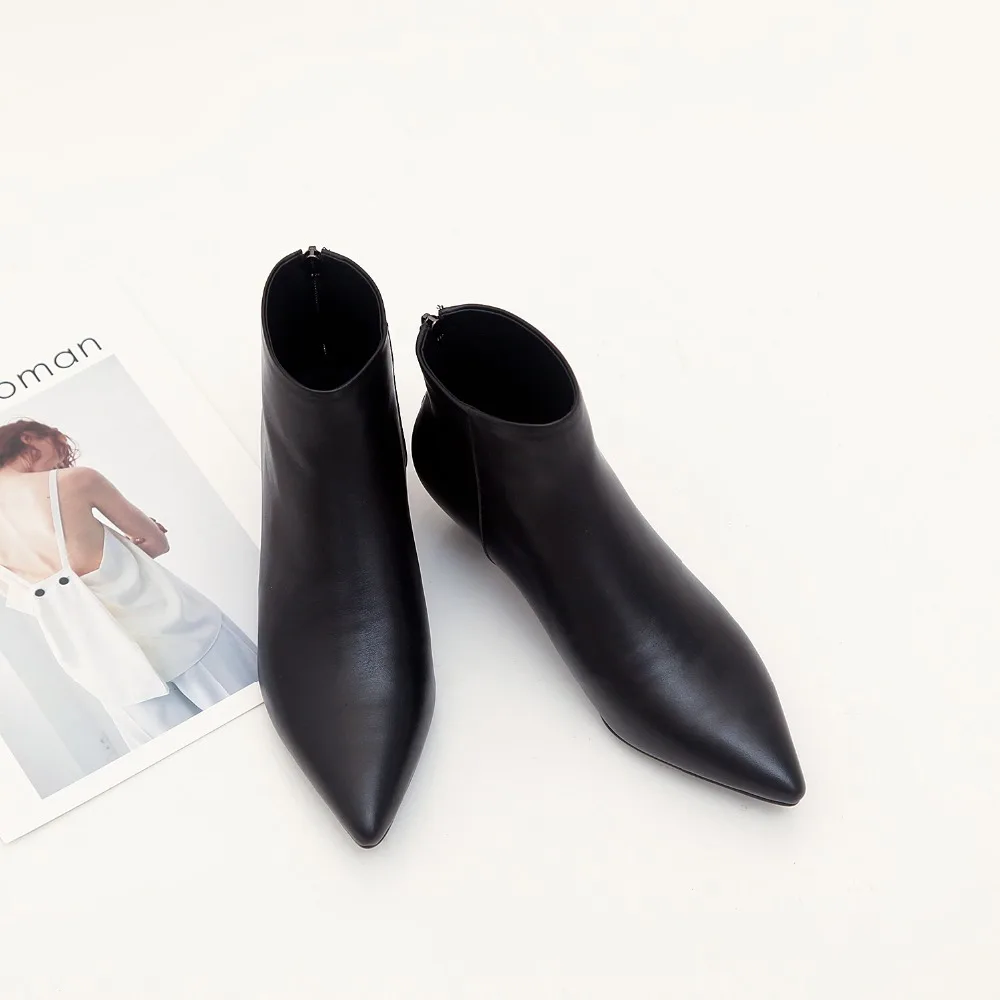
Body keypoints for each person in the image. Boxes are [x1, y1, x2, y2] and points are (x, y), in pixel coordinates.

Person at [0, 419, 257, 748]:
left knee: (198, 757)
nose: (59, 462)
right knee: (263, 722)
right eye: (58, 446)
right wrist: (127, 542)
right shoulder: (76, 481)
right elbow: (156, 543)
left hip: (112, 672)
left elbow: (29, 599)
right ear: (29, 438)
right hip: (181, 632)